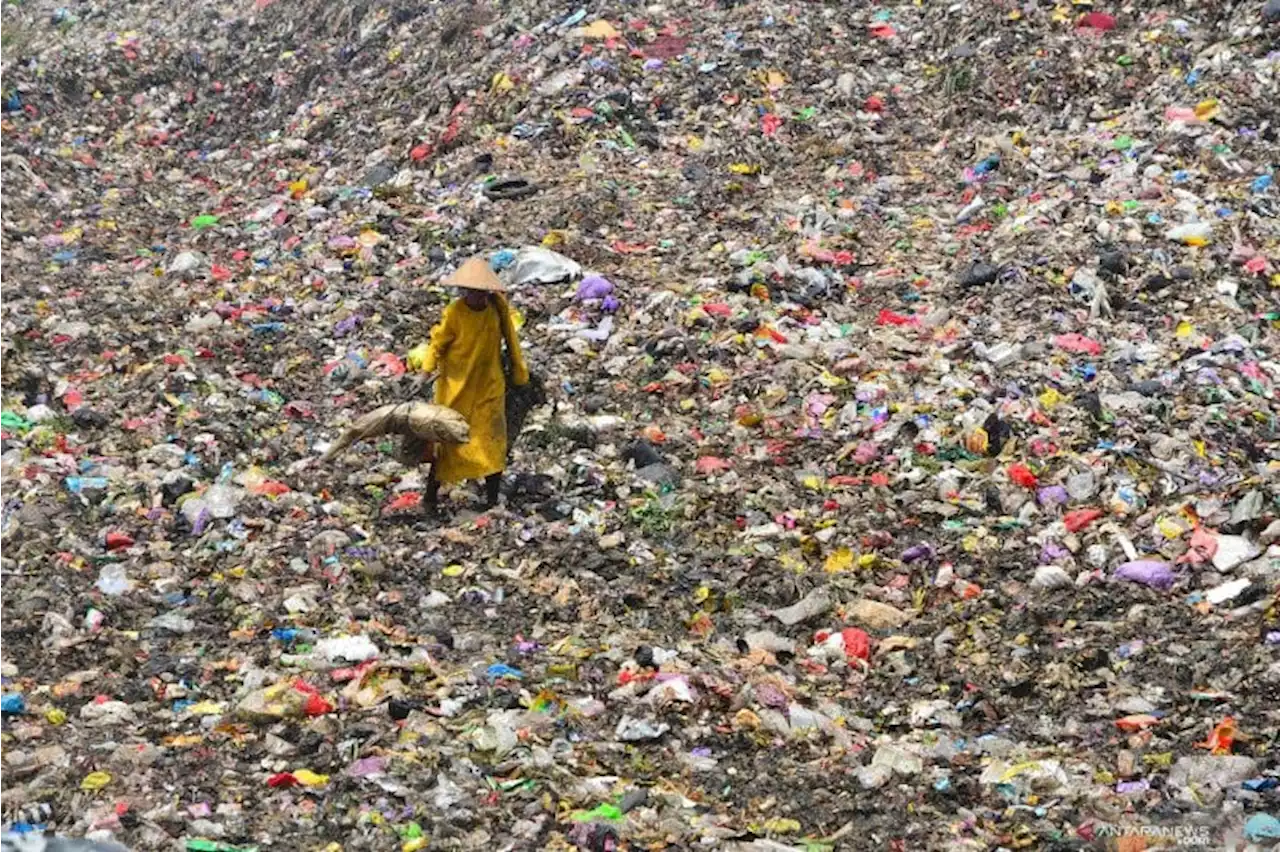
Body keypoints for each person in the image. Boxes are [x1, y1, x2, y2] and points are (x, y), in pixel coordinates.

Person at [405, 256, 529, 511]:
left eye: (480, 291)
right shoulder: (455, 313)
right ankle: (430, 498)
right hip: (456, 390)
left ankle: (492, 500)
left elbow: (511, 341)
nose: (475, 296)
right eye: (470, 291)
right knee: (448, 445)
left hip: (488, 388)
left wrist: (519, 374)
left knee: (491, 443)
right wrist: (424, 373)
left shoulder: (497, 307)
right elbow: (437, 344)